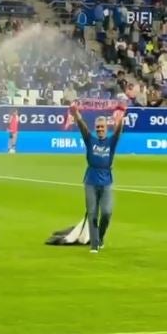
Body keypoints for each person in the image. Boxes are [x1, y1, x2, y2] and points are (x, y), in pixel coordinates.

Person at [69, 102, 126, 253]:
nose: (100, 129)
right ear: (96, 128)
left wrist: (121, 118)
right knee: (93, 213)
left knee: (106, 212)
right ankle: (94, 245)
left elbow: (119, 132)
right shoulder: (90, 140)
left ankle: (100, 238)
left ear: (106, 128)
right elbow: (83, 128)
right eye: (98, 127)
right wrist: (76, 114)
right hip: (91, 181)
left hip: (106, 181)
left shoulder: (111, 142)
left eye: (102, 127)